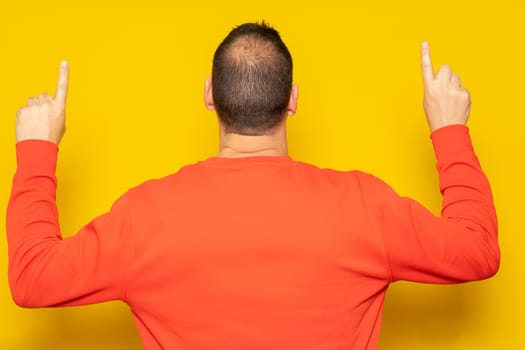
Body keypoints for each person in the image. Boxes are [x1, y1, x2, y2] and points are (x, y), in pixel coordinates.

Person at [6, 22, 499, 349]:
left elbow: (32, 279)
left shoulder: (144, 217)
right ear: (292, 100)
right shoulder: (364, 207)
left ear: (208, 95)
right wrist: (448, 129)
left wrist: (37, 148)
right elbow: (478, 250)